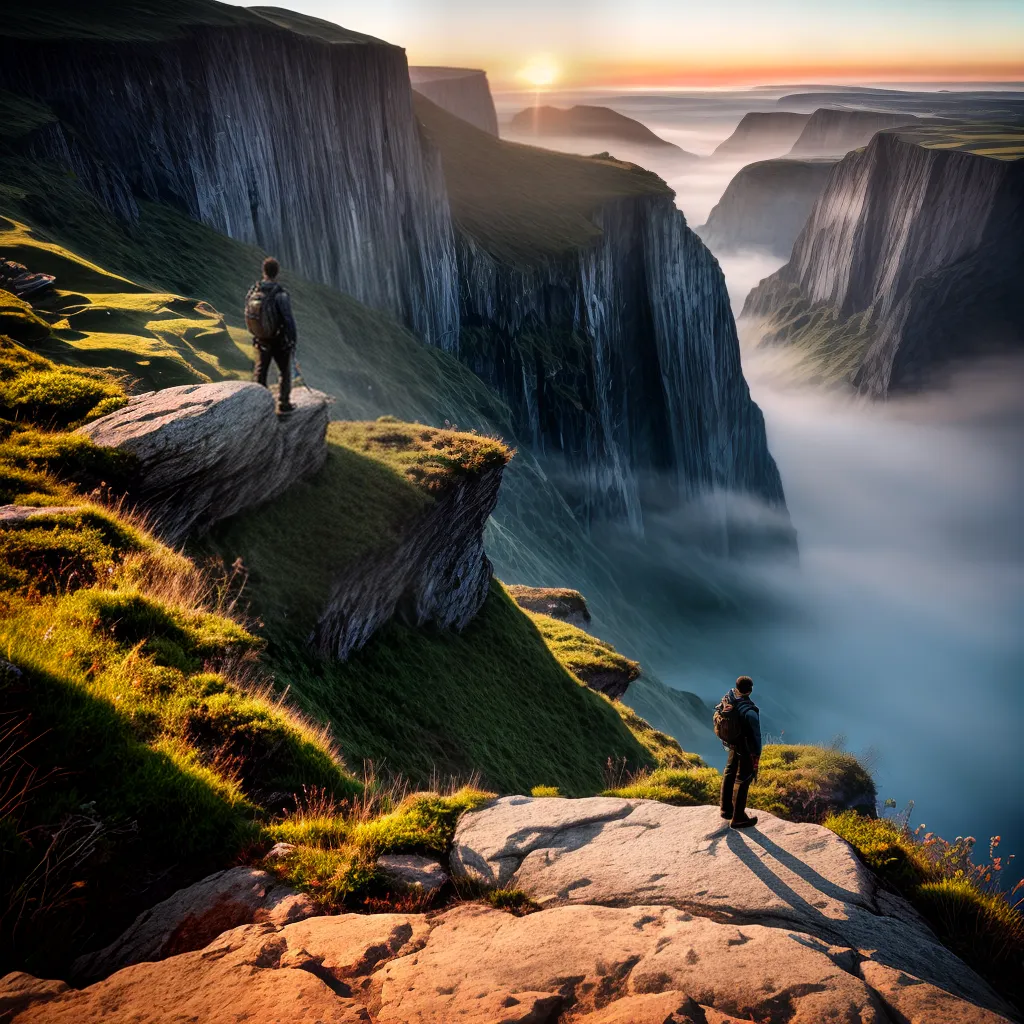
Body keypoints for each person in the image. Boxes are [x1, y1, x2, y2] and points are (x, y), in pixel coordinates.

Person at [246, 256, 297, 414]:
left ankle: (259, 405)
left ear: (264, 272)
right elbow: (288, 319)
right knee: (284, 371)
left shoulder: (254, 291)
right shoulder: (280, 294)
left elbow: (249, 314)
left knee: (261, 372)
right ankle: (284, 403)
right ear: (277, 273)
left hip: (261, 339)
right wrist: (292, 340)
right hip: (278, 339)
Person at [718, 675, 762, 829]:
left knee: (729, 772)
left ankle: (726, 810)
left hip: (733, 744)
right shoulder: (749, 711)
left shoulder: (728, 698)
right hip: (745, 747)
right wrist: (756, 753)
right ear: (750, 691)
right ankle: (738, 818)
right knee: (743, 779)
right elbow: (755, 736)